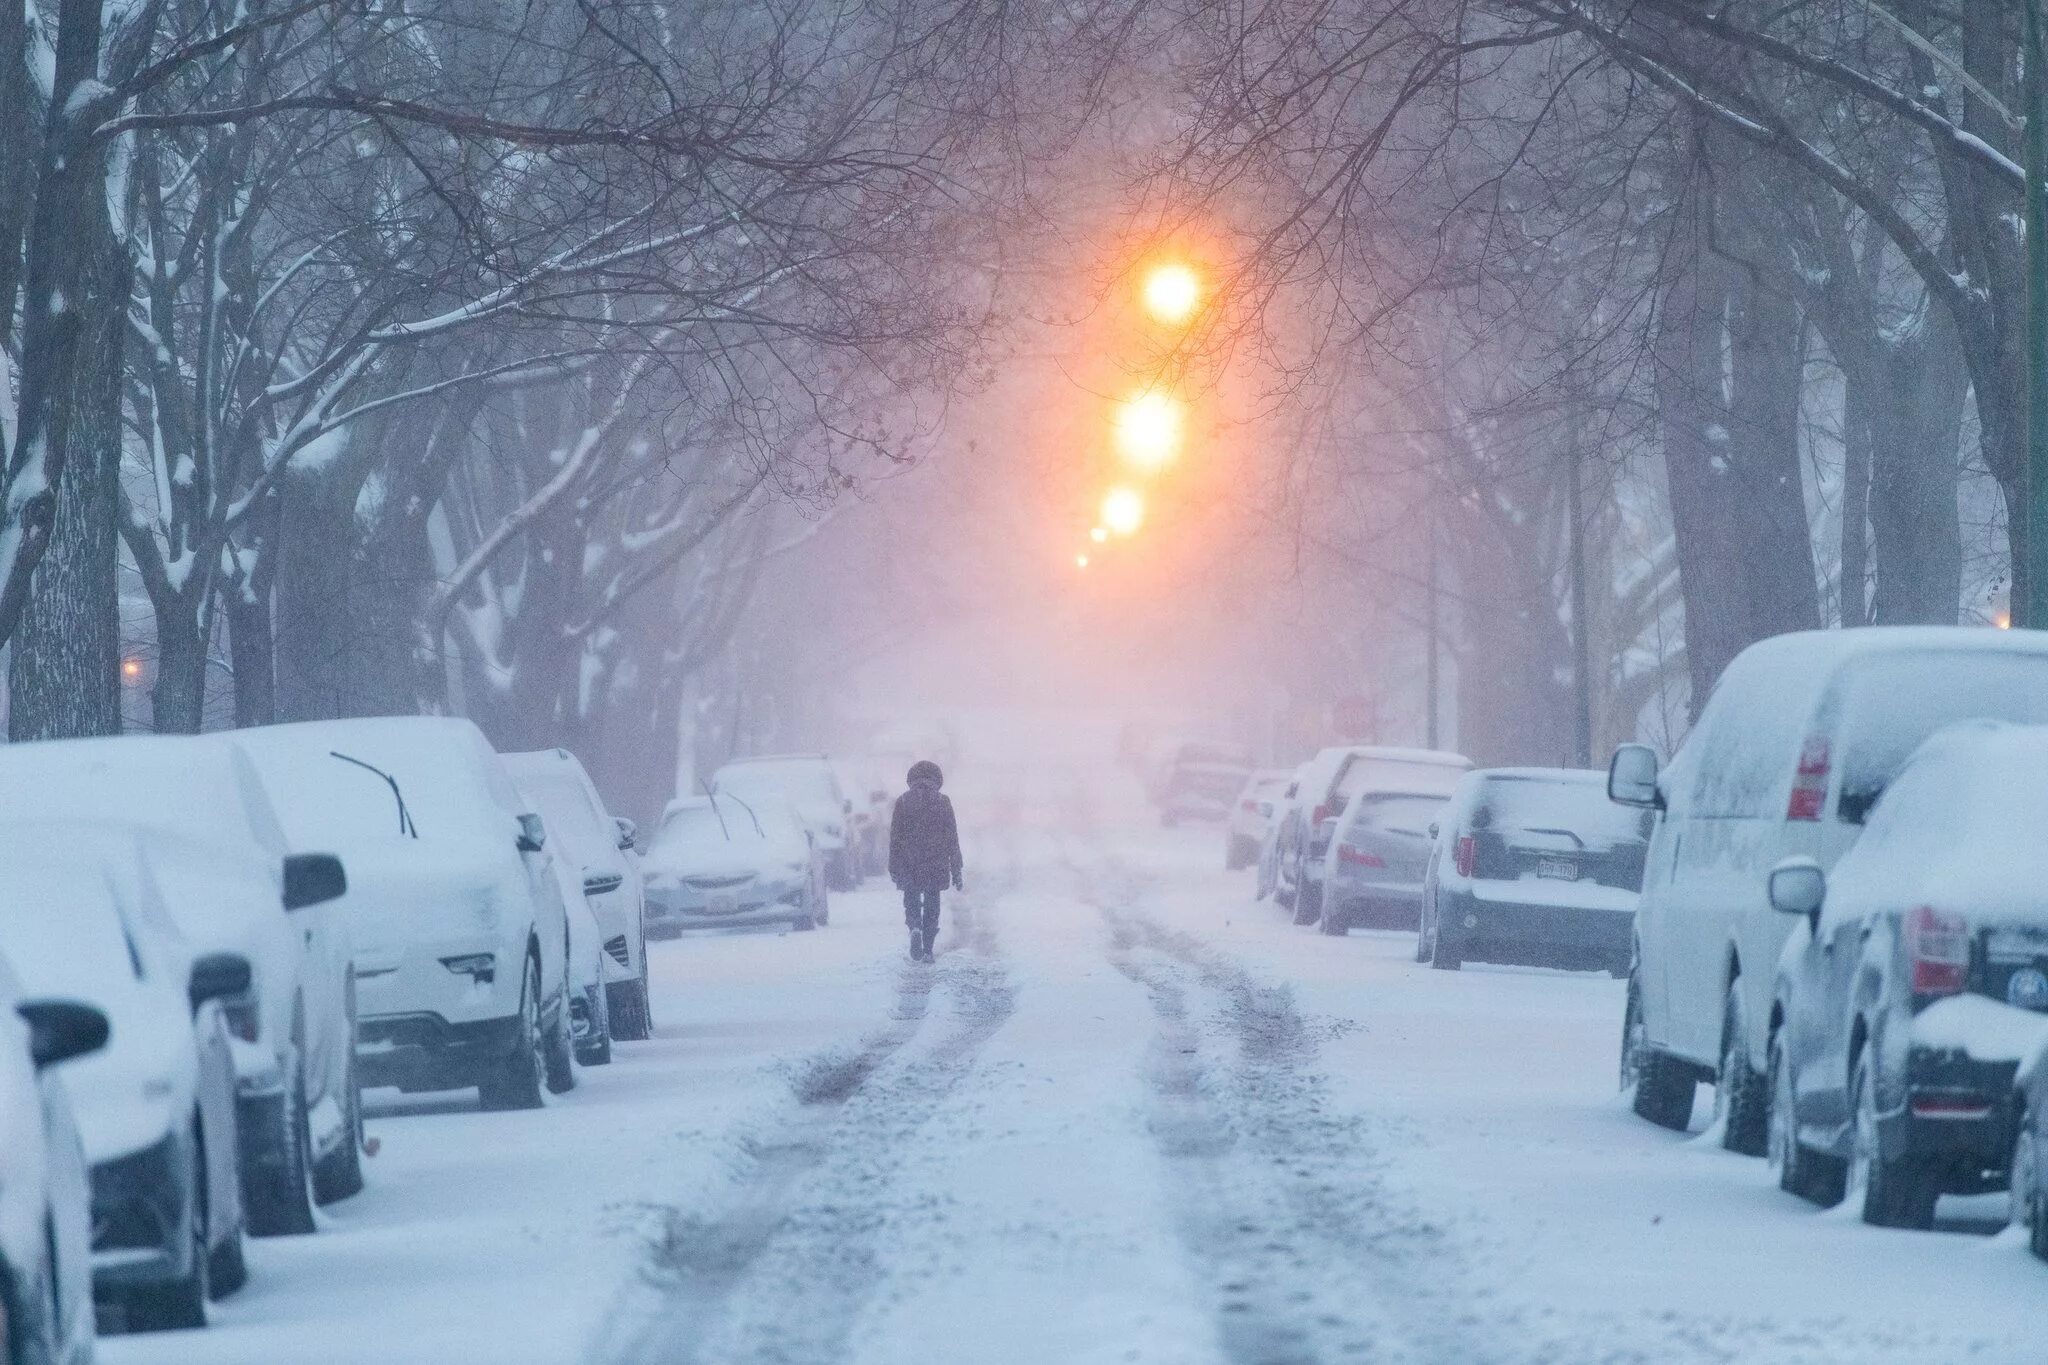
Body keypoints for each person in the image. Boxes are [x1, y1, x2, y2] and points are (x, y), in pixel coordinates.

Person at [890, 759, 963, 962]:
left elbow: (895, 837)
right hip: (935, 861)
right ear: (937, 780)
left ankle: (914, 927)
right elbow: (952, 838)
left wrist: (894, 866)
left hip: (909, 861)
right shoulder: (942, 802)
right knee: (932, 903)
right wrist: (956, 868)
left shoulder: (903, 802)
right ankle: (928, 948)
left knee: (911, 898)